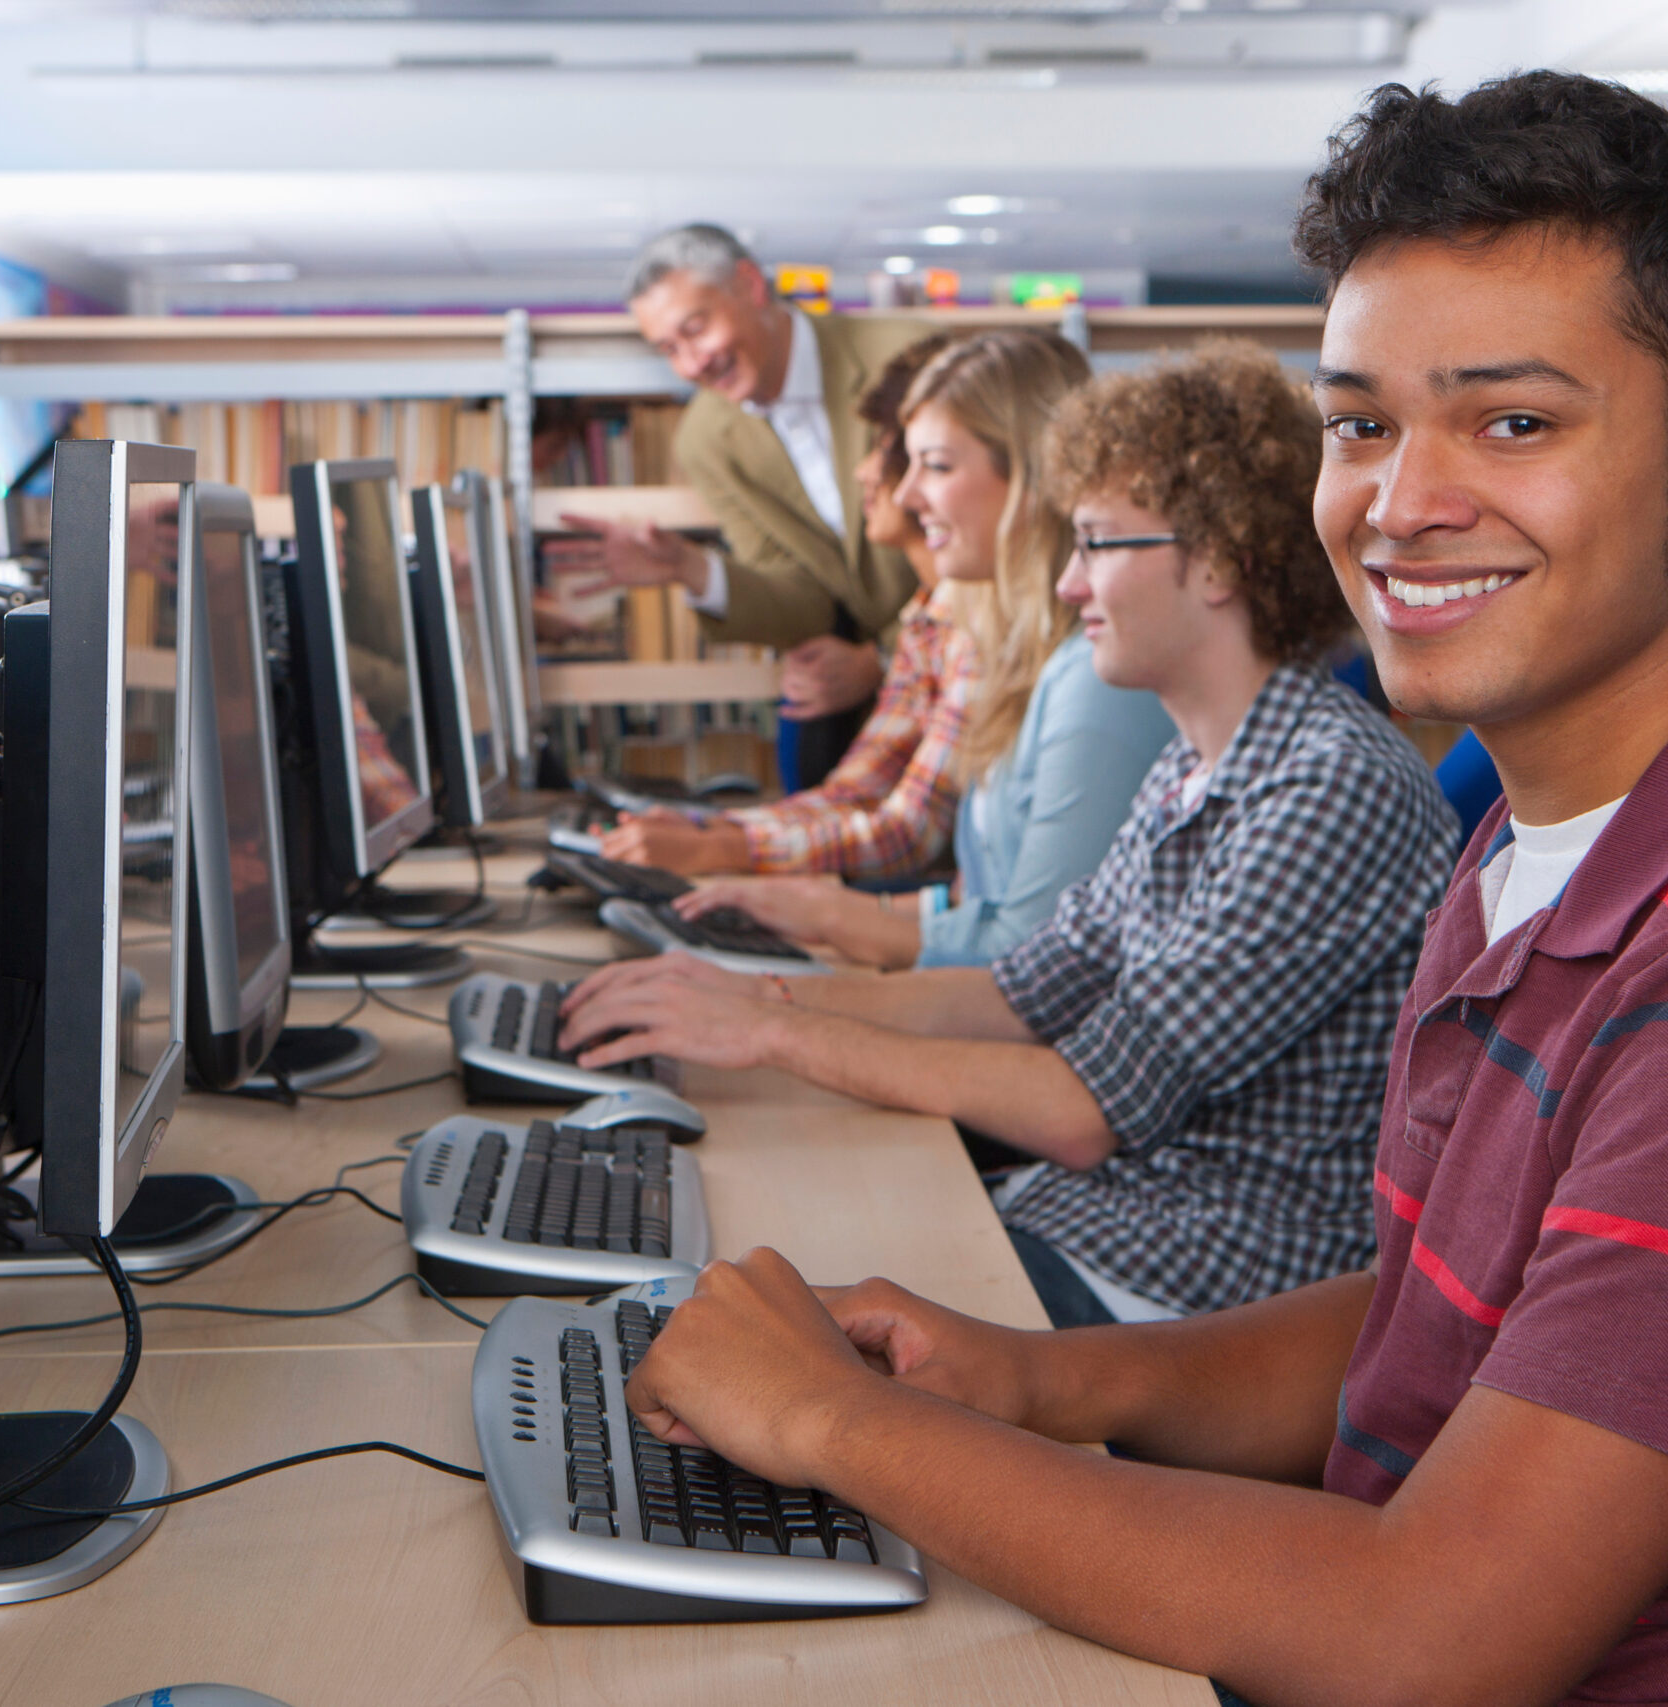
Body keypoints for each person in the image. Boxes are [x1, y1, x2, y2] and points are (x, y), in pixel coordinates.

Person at [585, 74, 1668, 1707]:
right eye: (1361, 422)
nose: (1400, 500)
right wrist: (1027, 1378)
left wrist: (839, 1425)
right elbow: (1458, 1316)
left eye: (1513, 421)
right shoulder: (1545, 814)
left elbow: (1435, 1635)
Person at [562, 338, 1456, 1323]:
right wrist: (748, 993)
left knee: (713, 1314)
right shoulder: (1191, 767)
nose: (1069, 585)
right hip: (1107, 1227)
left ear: (1220, 560)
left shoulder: (1326, 786)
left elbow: (1083, 1110)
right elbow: (1019, 993)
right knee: (714, 1272)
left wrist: (775, 1030)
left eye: (1097, 546)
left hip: (1198, 1290)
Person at [656, 332, 1184, 970]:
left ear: (1027, 473)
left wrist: (825, 914)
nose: (904, 495)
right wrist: (808, 906)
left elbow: (1035, 957)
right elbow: (986, 900)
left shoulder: (1095, 676)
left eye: (934, 465)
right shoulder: (1003, 642)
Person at [562, 224, 934, 787]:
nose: (691, 365)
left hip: (975, 666)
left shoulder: (908, 359)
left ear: (750, 286)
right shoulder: (706, 440)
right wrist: (686, 568)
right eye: (668, 349)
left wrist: (881, 661)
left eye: (696, 328)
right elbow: (802, 598)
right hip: (882, 722)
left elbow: (986, 542)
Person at [602, 332, 973, 884]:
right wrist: (710, 833)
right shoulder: (927, 616)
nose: (865, 472)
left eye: (922, 460)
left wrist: (723, 850)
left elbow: (905, 832)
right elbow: (858, 790)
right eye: (667, 348)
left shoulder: (978, 626)